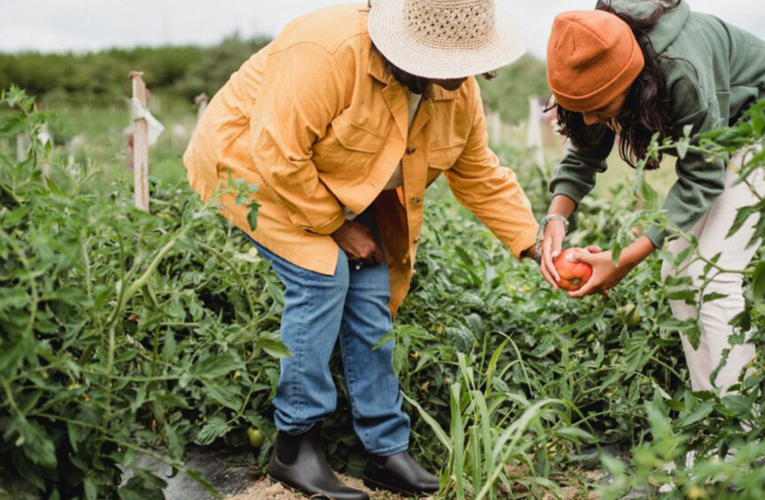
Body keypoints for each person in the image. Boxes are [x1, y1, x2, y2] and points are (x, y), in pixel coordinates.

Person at [183, 0, 540, 498]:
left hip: (338, 181)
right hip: (252, 166)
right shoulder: (329, 51)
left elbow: (479, 174)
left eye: (469, 64)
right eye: (447, 65)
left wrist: (535, 243)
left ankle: (384, 451)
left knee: (371, 292)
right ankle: (294, 447)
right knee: (322, 274)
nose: (460, 79)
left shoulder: (459, 93)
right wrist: (337, 226)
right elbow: (277, 154)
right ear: (408, 46)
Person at [539, 0, 765, 394]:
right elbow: (585, 149)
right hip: (723, 136)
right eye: (581, 109)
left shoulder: (681, 70)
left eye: (599, 108)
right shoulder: (599, 55)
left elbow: (701, 176)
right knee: (676, 272)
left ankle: (739, 441)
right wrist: (555, 218)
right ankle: (708, 428)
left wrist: (622, 260)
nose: (591, 120)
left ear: (631, 81)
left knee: (713, 276)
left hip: (756, 128)